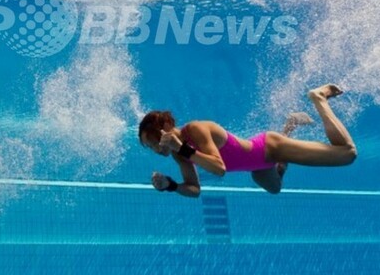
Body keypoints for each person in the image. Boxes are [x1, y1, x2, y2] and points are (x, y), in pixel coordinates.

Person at [139, 84, 357, 197]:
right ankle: (291, 124)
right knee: (275, 188)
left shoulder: (195, 129)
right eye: (151, 147)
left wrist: (183, 148)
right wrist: (171, 185)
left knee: (347, 154)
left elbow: (219, 168)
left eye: (154, 142)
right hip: (257, 168)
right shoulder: (179, 153)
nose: (156, 149)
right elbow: (195, 190)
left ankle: (319, 97)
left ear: (166, 127)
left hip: (270, 148)